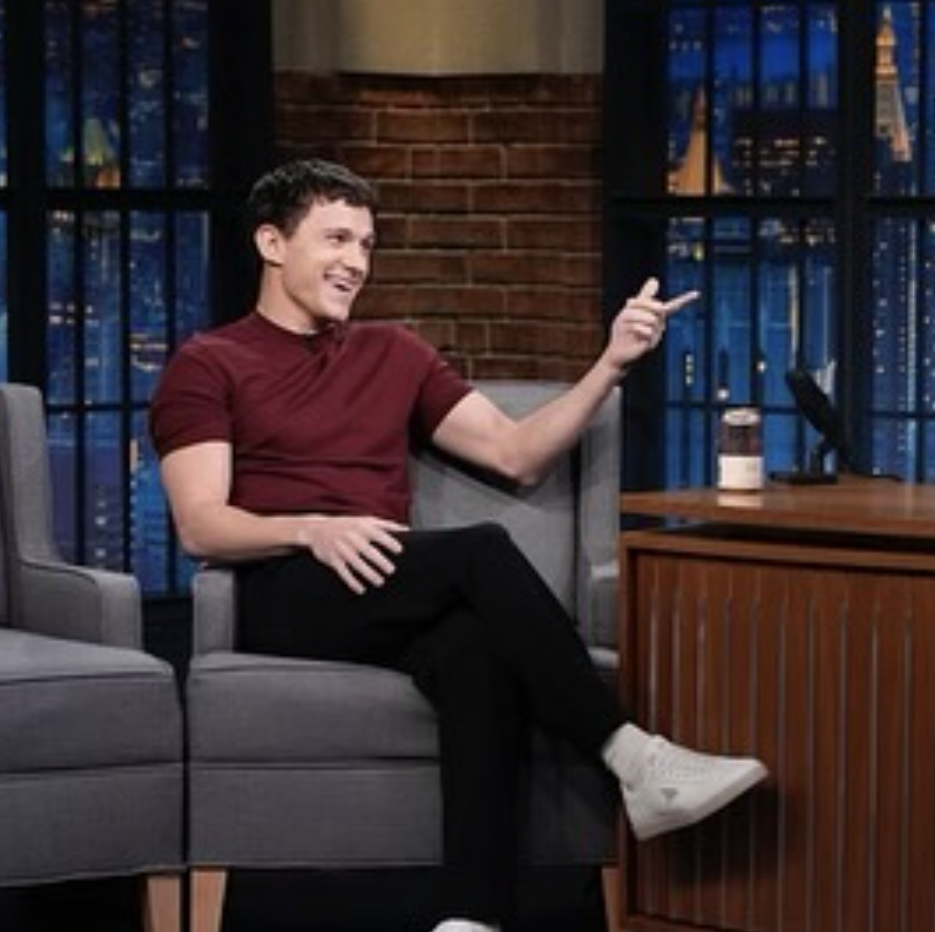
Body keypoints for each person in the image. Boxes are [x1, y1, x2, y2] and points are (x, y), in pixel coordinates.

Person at [149, 158, 767, 932]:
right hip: (284, 585)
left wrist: (609, 364)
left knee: (476, 649)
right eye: (336, 238)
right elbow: (200, 523)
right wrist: (311, 528)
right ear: (272, 242)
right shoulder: (208, 365)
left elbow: (517, 453)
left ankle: (471, 918)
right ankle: (633, 757)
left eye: (367, 245)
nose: (355, 262)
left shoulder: (394, 354)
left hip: (388, 580)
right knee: (478, 551)